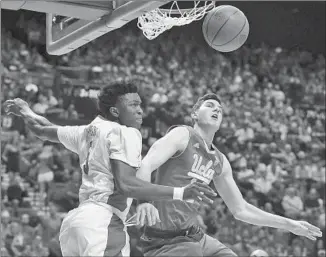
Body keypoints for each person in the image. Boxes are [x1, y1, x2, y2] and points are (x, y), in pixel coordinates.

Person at [3, 82, 215, 257]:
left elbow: (42, 129)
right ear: (115, 111)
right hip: (102, 224)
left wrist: (26, 111)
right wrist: (181, 192)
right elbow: (127, 184)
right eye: (132, 105)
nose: (140, 110)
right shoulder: (125, 132)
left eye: (140, 104)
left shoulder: (86, 131)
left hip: (74, 225)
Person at [136, 93, 322, 257]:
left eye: (220, 109)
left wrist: (289, 224)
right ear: (194, 114)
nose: (216, 110)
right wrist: (143, 201)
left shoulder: (220, 161)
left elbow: (241, 209)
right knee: (191, 251)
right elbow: (145, 165)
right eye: (209, 106)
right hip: (164, 241)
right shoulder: (182, 135)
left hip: (193, 235)